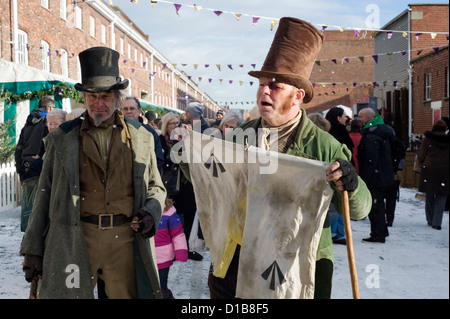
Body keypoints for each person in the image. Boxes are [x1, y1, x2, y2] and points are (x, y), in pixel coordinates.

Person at [187, 17, 371, 299]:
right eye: (261, 84)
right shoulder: (239, 137)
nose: (264, 90)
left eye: (274, 86)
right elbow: (214, 180)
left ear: (297, 96)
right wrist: (191, 159)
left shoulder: (325, 146)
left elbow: (359, 210)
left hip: (295, 266)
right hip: (239, 261)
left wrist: (351, 183)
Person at [19, 46, 166, 299]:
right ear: (84, 97)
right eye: (92, 96)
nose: (99, 103)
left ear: (118, 97)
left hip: (125, 242)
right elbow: (44, 194)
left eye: (106, 96)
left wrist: (151, 212)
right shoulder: (61, 139)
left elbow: (156, 187)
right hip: (75, 241)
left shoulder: (142, 137)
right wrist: (33, 248)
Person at [15, 96, 55, 232]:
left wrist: (20, 172)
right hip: (40, 166)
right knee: (42, 209)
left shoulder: (27, 124)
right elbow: (48, 144)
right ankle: (36, 243)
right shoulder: (47, 122)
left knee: (29, 208)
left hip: (26, 168)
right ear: (50, 108)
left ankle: (28, 239)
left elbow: (18, 149)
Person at [357, 107, 394, 243]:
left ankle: (378, 234)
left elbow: (370, 160)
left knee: (375, 206)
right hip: (383, 175)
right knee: (378, 205)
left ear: (369, 118)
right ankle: (381, 231)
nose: (358, 119)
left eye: (360, 117)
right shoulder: (380, 130)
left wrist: (364, 179)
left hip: (375, 177)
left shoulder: (371, 136)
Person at [325, 107, 356, 246]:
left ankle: (336, 232)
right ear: (338, 118)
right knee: (336, 206)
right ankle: (337, 233)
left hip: (338, 172)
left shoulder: (331, 132)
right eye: (344, 116)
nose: (346, 119)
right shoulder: (338, 133)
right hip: (338, 174)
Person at [417, 119, 449, 230]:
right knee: (442, 195)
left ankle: (430, 219)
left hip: (430, 168)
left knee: (430, 194)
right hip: (445, 170)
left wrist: (422, 163)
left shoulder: (428, 139)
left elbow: (421, 154)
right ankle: (437, 222)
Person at [155, 197, 188, 299]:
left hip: (163, 256)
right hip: (145, 256)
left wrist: (181, 252)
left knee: (161, 286)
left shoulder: (168, 210)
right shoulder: (140, 208)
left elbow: (177, 233)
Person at [121, 96, 164, 172]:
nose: (128, 111)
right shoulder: (116, 130)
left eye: (132, 108)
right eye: (125, 109)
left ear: (139, 111)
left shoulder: (150, 132)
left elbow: (158, 160)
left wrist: (147, 177)